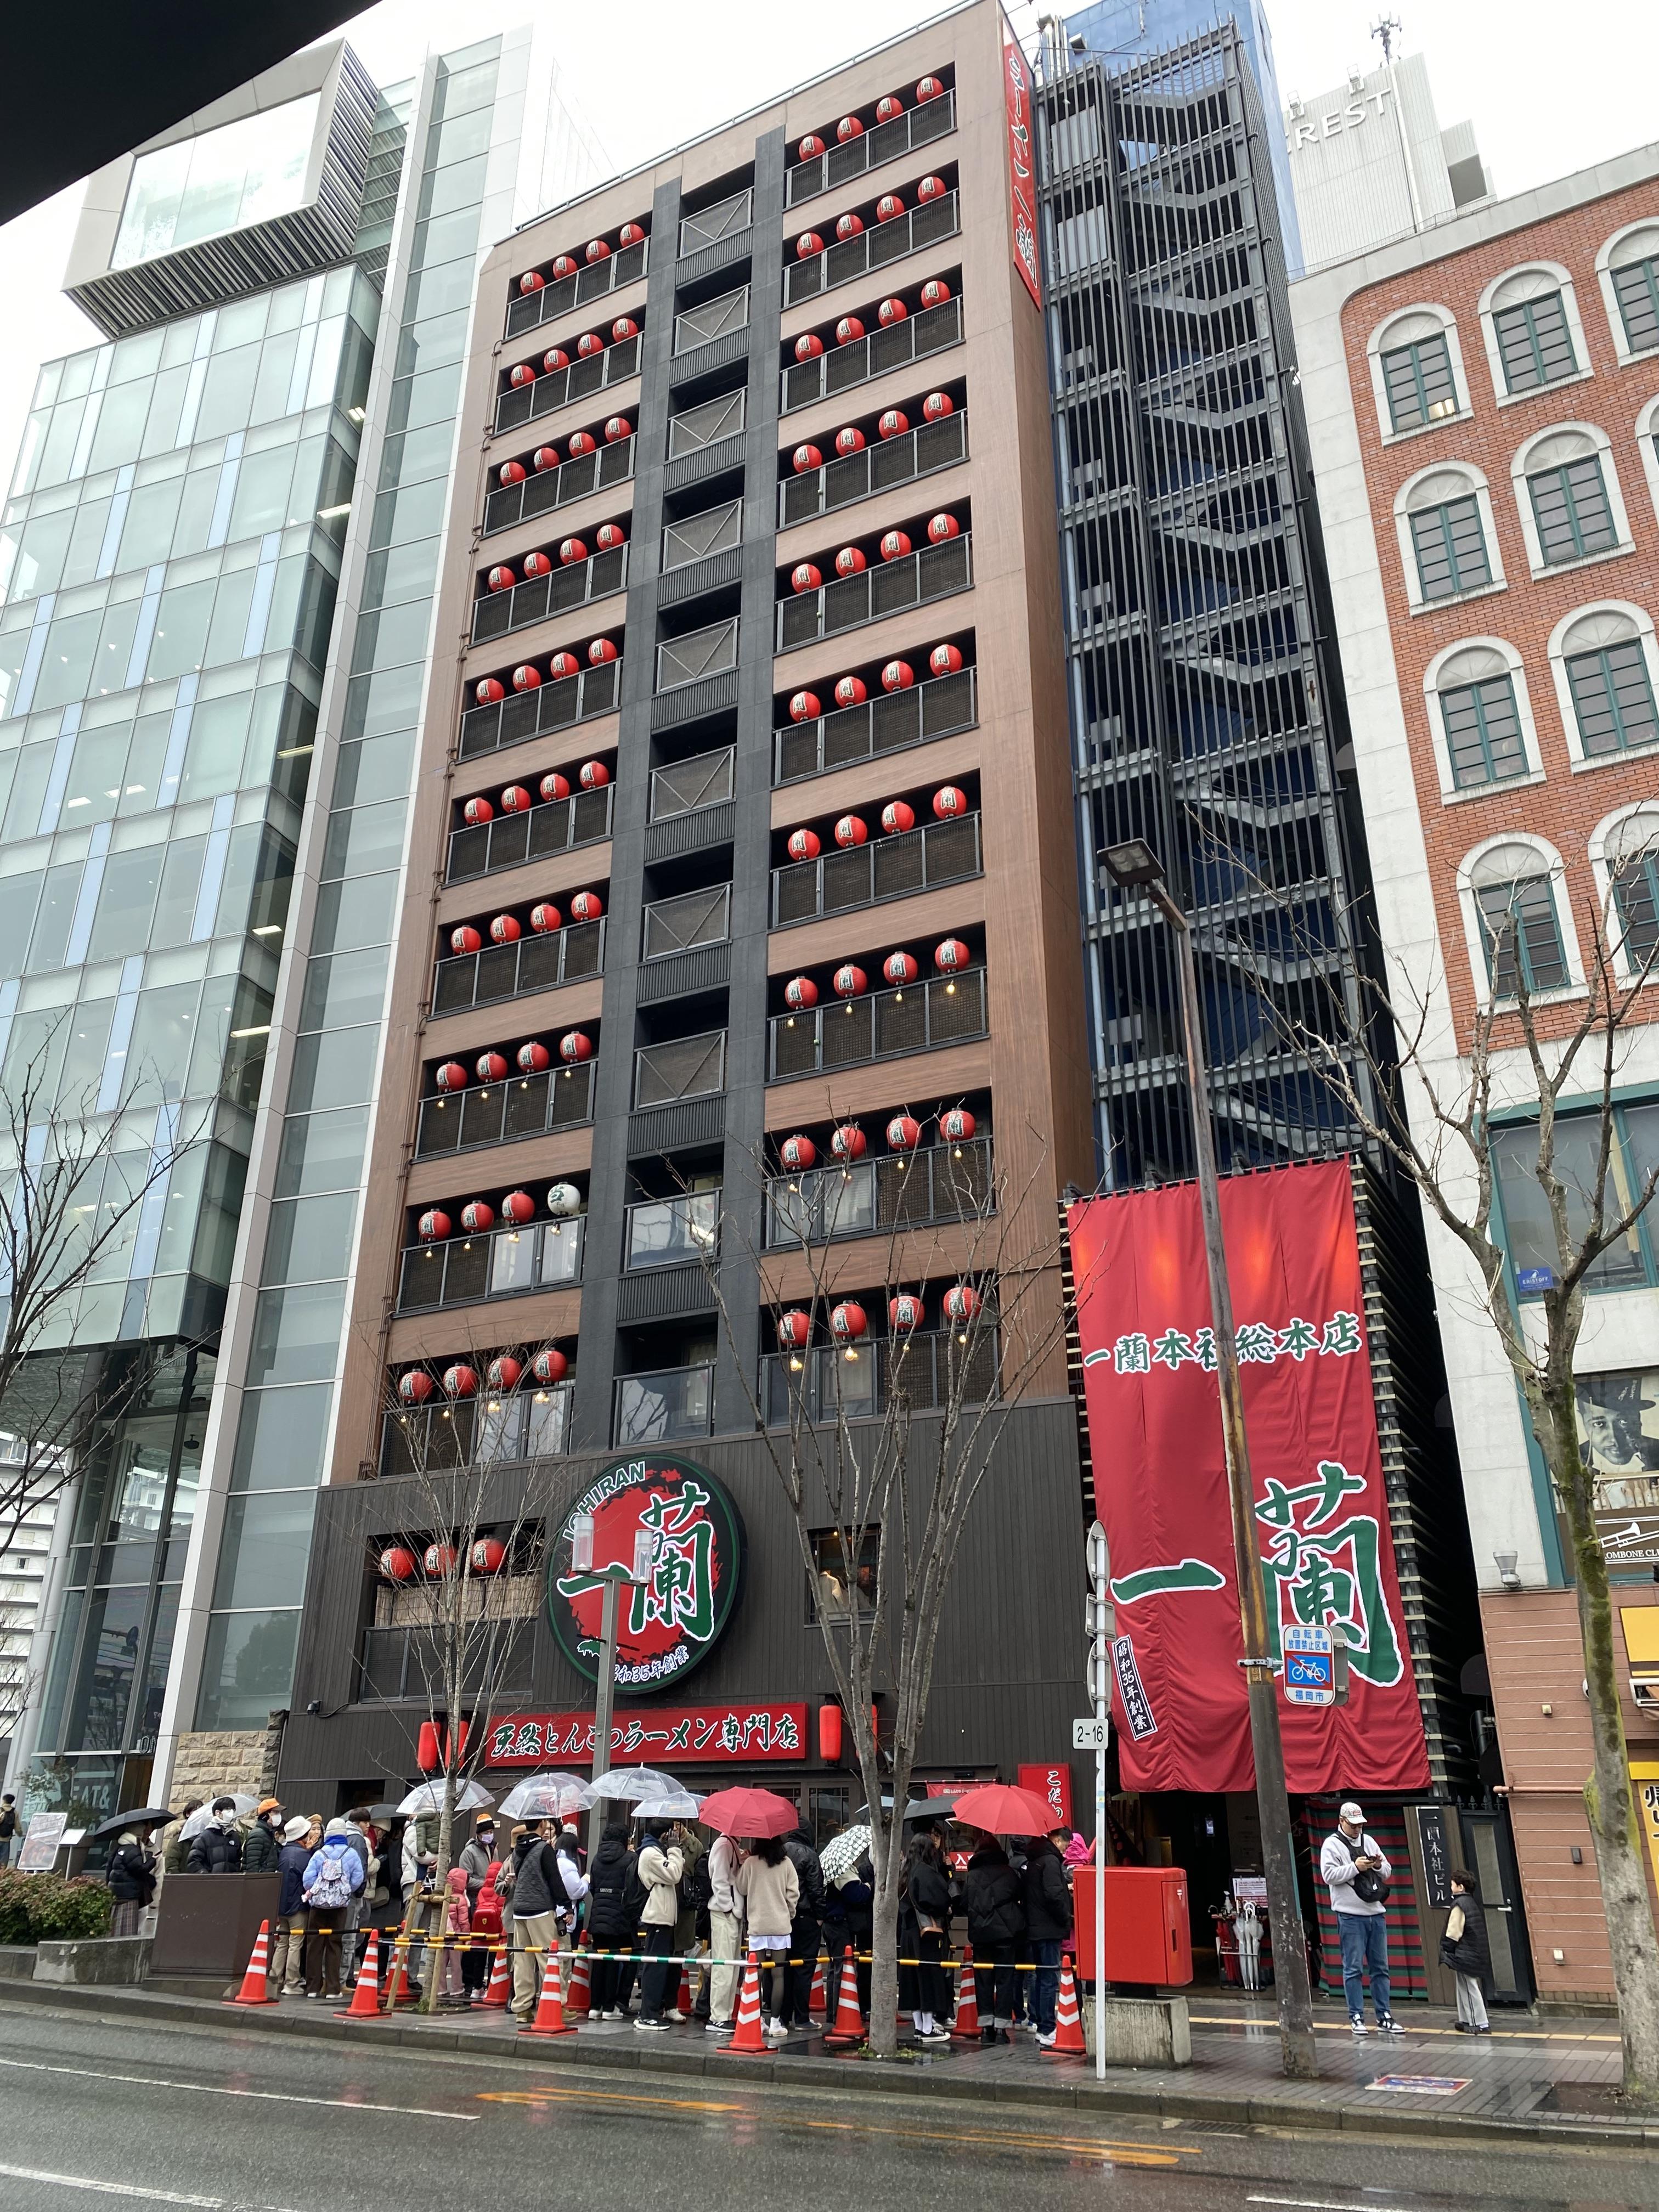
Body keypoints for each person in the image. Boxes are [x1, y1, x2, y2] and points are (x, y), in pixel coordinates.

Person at [1319, 1800, 1400, 2035]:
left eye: (1360, 1825)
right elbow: (1329, 1875)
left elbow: (1387, 1871)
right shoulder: (1331, 1845)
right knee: (1353, 1969)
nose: (1358, 1830)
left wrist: (1376, 1865)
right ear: (1342, 1821)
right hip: (1350, 1915)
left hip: (1376, 1913)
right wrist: (1356, 1867)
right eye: (1353, 1825)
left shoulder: (1369, 1840)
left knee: (1381, 1968)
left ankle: (1384, 2016)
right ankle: (1356, 2017)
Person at [963, 1830, 1024, 2045]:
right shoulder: (1009, 1873)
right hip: (1006, 1934)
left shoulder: (972, 1876)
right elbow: (1020, 1895)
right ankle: (1002, 2029)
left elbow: (964, 1903)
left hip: (980, 1935)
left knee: (983, 1980)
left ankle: (986, 2028)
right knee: (1005, 1979)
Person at [735, 1831, 798, 2035]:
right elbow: (793, 1894)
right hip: (780, 1925)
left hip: (758, 1925)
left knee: (757, 1974)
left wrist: (744, 1861)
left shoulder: (751, 1863)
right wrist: (789, 1913)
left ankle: (758, 2019)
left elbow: (741, 1888)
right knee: (778, 1974)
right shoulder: (786, 1863)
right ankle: (776, 2023)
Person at [899, 1830, 954, 2044]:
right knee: (929, 1978)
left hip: (908, 1932)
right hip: (926, 1935)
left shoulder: (906, 1872)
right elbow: (940, 1900)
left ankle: (919, 2027)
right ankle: (929, 2027)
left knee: (912, 1979)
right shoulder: (927, 1873)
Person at [506, 1820, 565, 2020]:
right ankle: (557, 2004)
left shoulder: (518, 1849)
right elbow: (554, 1879)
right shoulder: (543, 1849)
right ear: (541, 1824)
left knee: (523, 1960)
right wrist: (565, 1904)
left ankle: (522, 2008)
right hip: (540, 1909)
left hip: (519, 1909)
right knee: (549, 1959)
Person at [300, 1817, 364, 2000]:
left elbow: (307, 1879)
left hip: (318, 1907)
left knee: (314, 1945)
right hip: (340, 1908)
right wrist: (343, 1892)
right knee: (335, 1945)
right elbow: (358, 1879)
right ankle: (333, 1989)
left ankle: (312, 1988)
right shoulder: (351, 1854)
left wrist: (318, 1893)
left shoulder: (319, 1854)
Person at [1022, 1823, 1073, 2047]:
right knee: (1049, 1980)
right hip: (1049, 1927)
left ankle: (1042, 2025)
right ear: (1057, 1840)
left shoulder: (1034, 1860)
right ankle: (1047, 2028)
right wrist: (1065, 1917)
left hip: (1034, 1926)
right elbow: (1054, 1895)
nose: (1066, 1851)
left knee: (1043, 1979)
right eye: (1066, 1845)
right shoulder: (1051, 1861)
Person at [633, 1821, 685, 2030]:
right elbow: (674, 1874)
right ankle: (648, 2014)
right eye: (671, 1835)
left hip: (664, 1916)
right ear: (664, 1835)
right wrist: (675, 1850)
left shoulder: (656, 1851)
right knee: (655, 1965)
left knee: (664, 1965)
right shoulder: (650, 1854)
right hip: (657, 1917)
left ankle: (659, 2008)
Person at [780, 1820, 827, 2031]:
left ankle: (782, 2016)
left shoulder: (780, 1853)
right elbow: (816, 1890)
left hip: (784, 1918)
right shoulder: (810, 1855)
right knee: (804, 1968)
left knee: (785, 1968)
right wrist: (820, 1916)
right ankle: (801, 2018)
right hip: (807, 1918)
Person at [1442, 1867, 1492, 2034]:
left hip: (1464, 1953)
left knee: (1469, 1987)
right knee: (1464, 1985)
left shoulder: (1459, 1905)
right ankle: (1465, 2019)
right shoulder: (1471, 1902)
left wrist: (1447, 1949)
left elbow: (1454, 1932)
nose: (1451, 1887)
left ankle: (1479, 2022)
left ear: (1460, 1887)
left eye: (1452, 1884)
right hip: (1473, 1951)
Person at [705, 1827, 745, 2034]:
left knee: (731, 1965)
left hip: (730, 1912)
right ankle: (718, 2016)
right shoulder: (724, 1845)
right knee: (724, 1965)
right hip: (725, 1913)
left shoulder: (731, 1844)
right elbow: (720, 1880)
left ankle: (724, 2014)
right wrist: (729, 1907)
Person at [270, 1814, 314, 1997]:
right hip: (298, 1906)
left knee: (282, 1944)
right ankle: (292, 1982)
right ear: (303, 1836)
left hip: (282, 1905)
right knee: (295, 1944)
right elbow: (309, 1880)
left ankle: (275, 1979)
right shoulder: (303, 1855)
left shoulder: (285, 1852)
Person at [673, 1820, 710, 2018]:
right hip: (667, 1903)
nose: (674, 1829)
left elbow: (701, 1874)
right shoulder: (664, 1843)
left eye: (678, 1825)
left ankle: (677, 2001)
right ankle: (667, 2000)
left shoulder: (694, 1846)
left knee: (683, 1948)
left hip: (687, 1904)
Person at [467, 1850, 505, 2004]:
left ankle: (476, 1989)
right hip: (495, 1934)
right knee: (492, 1960)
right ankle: (491, 1986)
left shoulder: (482, 1891)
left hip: (479, 1932)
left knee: (479, 1961)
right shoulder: (500, 1890)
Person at [105, 1830, 156, 1939]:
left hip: (117, 1894)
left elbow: (109, 1869)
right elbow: (140, 1869)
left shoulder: (119, 1848)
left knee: (116, 1928)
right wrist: (153, 1861)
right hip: (130, 1894)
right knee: (128, 1932)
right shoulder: (132, 1850)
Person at [439, 1864, 472, 2005]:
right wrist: (467, 1937)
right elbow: (463, 1921)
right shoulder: (461, 1899)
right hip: (457, 1936)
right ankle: (457, 1989)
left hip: (443, 1935)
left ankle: (440, 1989)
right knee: (456, 1965)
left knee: (441, 1963)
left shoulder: (444, 1897)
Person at [187, 1798, 245, 1874]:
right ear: (218, 1812)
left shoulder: (234, 1836)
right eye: (228, 1809)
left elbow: (237, 1860)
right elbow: (193, 1861)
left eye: (233, 1810)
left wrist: (236, 1873)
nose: (231, 1812)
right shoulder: (205, 1837)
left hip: (231, 1882)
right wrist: (204, 1874)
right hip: (211, 1883)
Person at [240, 1797, 284, 1875]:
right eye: (276, 1813)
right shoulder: (258, 1835)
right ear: (265, 1816)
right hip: (259, 1883)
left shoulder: (269, 1833)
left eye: (280, 1813)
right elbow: (252, 1866)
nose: (279, 1816)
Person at [161, 1801, 203, 1876]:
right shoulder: (179, 1838)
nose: (198, 1814)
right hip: (183, 1882)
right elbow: (172, 1864)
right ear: (188, 1814)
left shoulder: (204, 1837)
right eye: (195, 1811)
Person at [0, 1793, 18, 1867]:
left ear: (4, 1801)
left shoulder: (1, 1811)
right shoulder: (14, 1812)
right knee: (4, 1862)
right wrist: (20, 1834)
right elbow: (18, 1826)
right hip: (6, 1839)